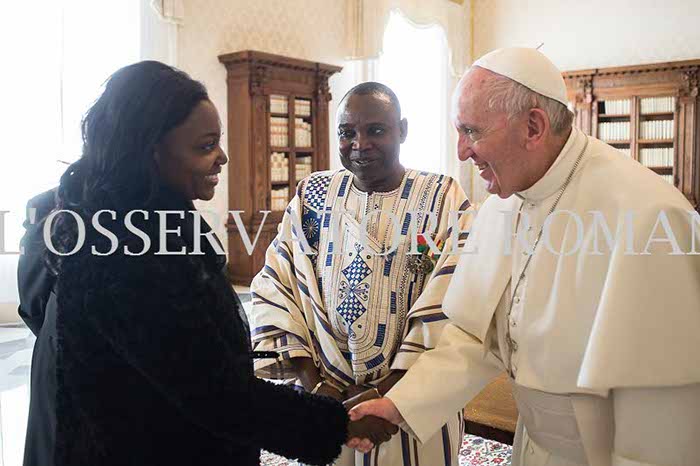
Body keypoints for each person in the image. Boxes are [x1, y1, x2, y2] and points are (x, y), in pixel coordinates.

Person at [20, 60, 394, 466]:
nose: (222, 158)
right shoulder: (130, 251)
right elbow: (213, 392)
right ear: (151, 151)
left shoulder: (129, 218)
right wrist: (336, 424)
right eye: (205, 146)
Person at [350, 48, 700, 466]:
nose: (461, 152)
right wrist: (400, 404)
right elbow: (478, 338)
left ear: (533, 127)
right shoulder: (503, 205)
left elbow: (659, 417)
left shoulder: (650, 216)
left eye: (471, 131)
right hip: (531, 445)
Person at [249, 82, 473, 466]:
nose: (359, 144)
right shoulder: (312, 195)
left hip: (412, 401)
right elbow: (277, 285)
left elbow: (456, 301)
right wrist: (318, 389)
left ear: (402, 130)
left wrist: (390, 395)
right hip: (326, 397)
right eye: (347, 132)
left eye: (376, 130)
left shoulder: (441, 198)